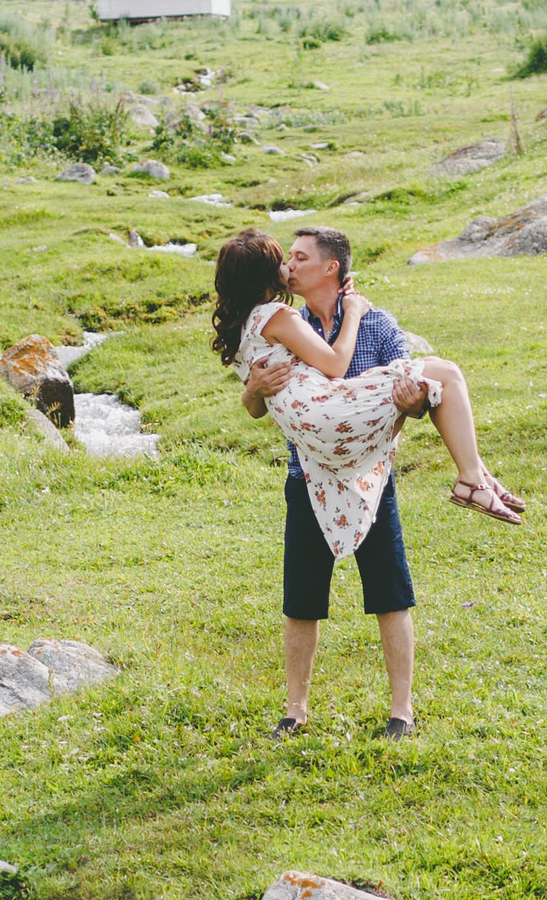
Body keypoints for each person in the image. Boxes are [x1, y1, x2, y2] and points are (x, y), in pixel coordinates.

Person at [211, 224, 522, 740]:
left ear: (330, 268)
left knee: (390, 592)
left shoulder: (377, 325)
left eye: (299, 257)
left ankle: (402, 711)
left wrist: (413, 402)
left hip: (370, 471)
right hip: (306, 470)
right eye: (285, 259)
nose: (290, 265)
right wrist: (253, 391)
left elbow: (421, 401)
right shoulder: (290, 317)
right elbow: (256, 403)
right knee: (301, 598)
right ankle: (295, 710)